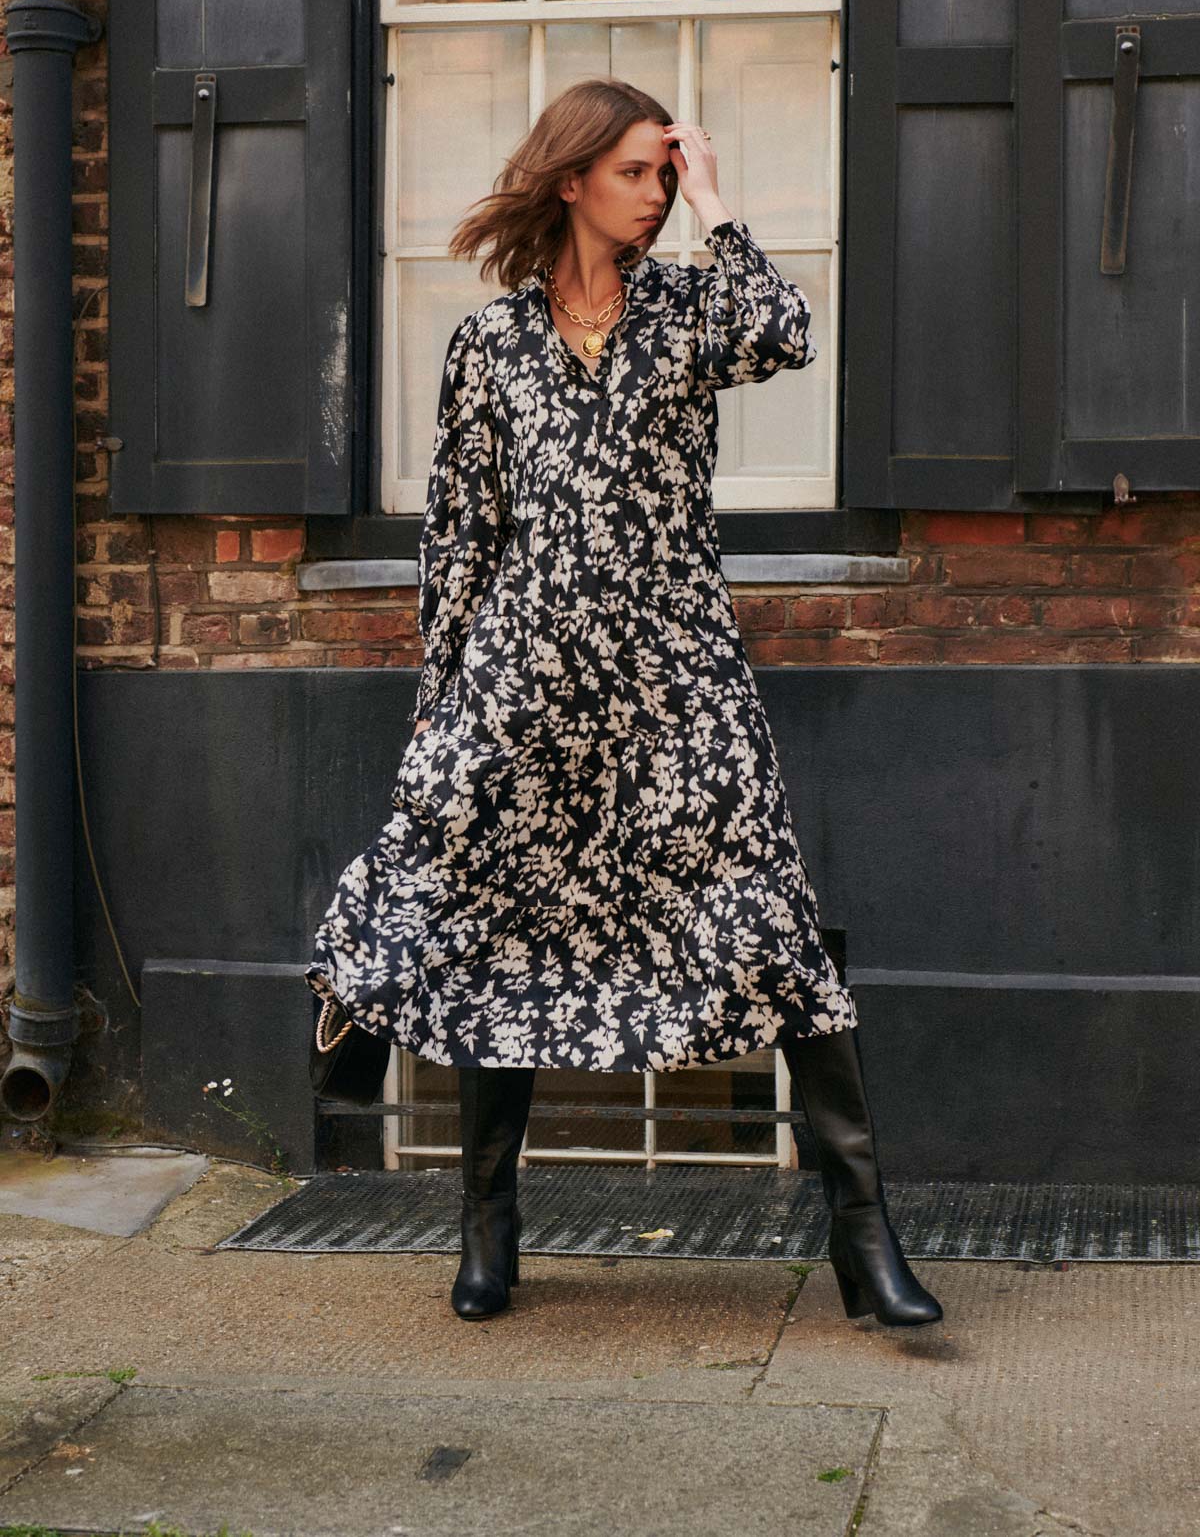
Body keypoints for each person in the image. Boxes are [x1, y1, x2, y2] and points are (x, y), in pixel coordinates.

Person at [306, 78, 942, 1331]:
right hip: (523, 681)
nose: (655, 193)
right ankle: (488, 1230)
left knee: (770, 919)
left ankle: (865, 1241)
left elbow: (785, 333)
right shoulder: (489, 345)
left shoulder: (690, 311)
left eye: (666, 172)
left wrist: (718, 204)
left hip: (676, 677)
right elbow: (461, 535)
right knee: (496, 924)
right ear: (572, 179)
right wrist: (442, 697)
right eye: (638, 172)